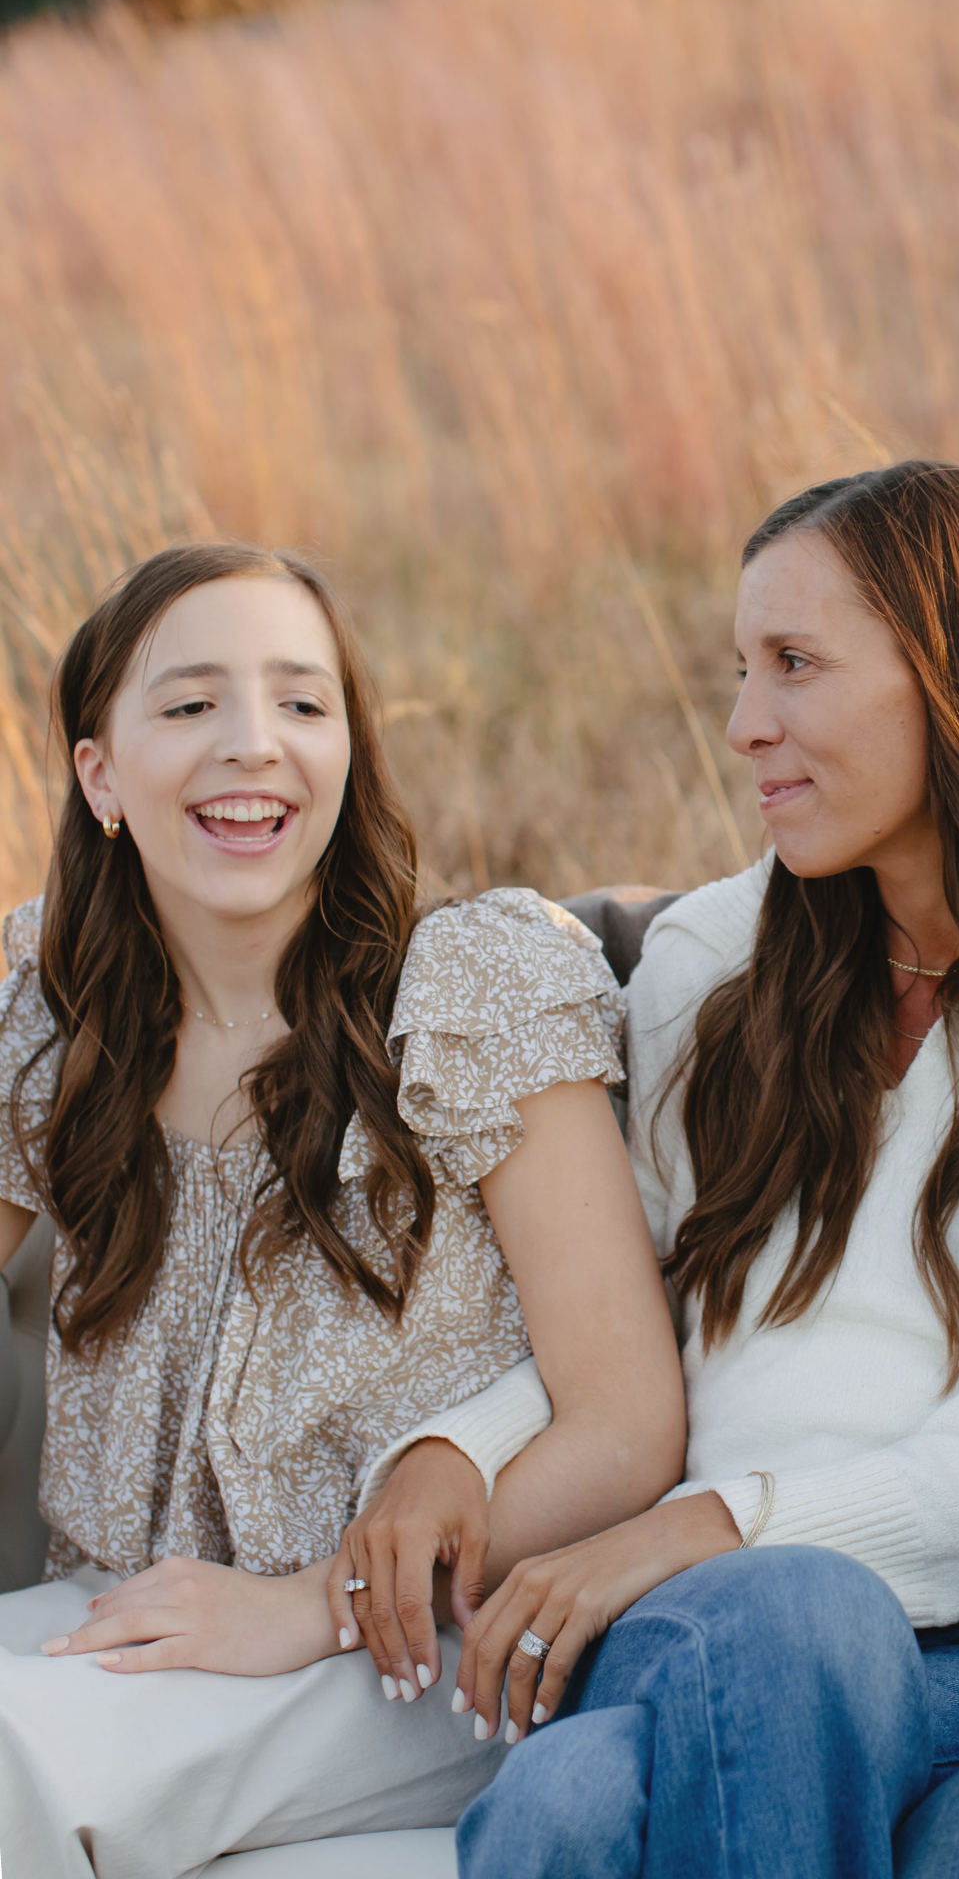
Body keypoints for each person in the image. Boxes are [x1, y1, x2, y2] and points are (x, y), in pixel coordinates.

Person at [0, 542, 685, 1879]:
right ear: (100, 777)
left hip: (407, 1651)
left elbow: (628, 1419)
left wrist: (310, 1605)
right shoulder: (51, 1004)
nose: (254, 746)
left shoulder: (470, 987)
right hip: (134, 1617)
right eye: (192, 705)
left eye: (303, 706)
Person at [450, 461, 959, 1877]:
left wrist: (732, 1519)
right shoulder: (710, 965)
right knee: (796, 1618)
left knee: (564, 1813)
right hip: (698, 1618)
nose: (744, 727)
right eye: (740, 671)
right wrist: (453, 1454)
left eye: (795, 666)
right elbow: (611, 1315)